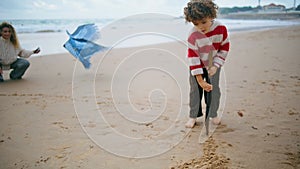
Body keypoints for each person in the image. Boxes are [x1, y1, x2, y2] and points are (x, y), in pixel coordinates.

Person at [183, 0, 230, 128]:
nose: (201, 27)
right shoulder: (193, 35)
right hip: (197, 62)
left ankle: (213, 113)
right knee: (195, 91)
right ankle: (193, 116)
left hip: (212, 60)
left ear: (212, 15)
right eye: (196, 24)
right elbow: (193, 57)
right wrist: (200, 80)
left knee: (213, 89)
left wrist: (215, 66)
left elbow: (224, 48)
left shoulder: (221, 29)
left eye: (204, 22)